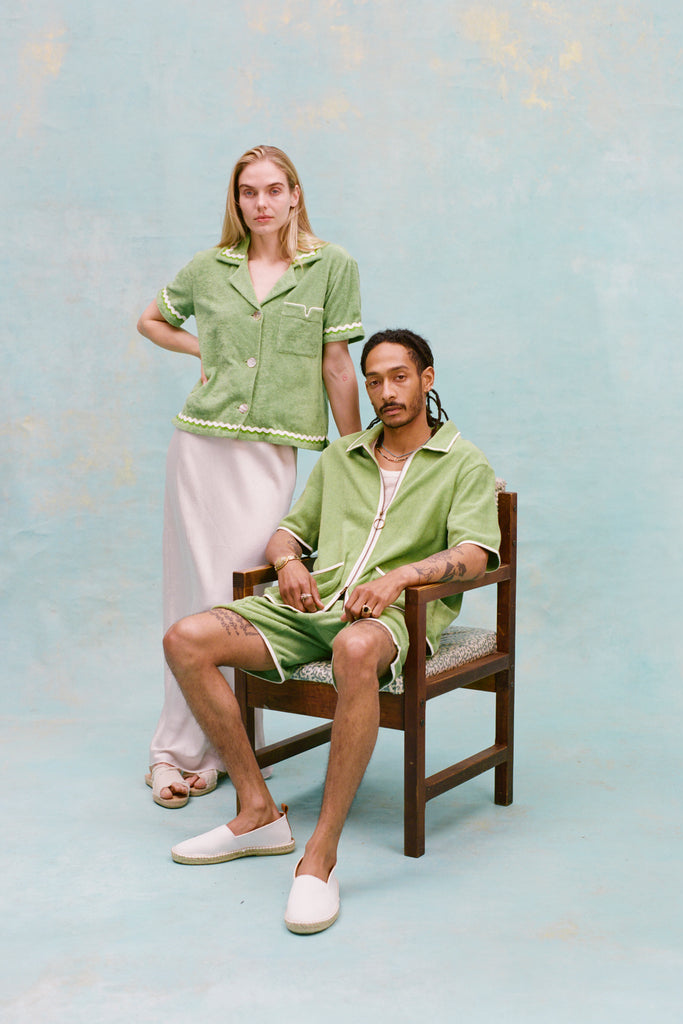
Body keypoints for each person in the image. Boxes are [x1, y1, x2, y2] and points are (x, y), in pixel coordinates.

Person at [162, 328, 501, 934]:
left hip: (396, 617)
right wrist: (290, 562)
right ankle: (258, 810)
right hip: (313, 610)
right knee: (185, 638)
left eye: (400, 376)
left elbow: (475, 553)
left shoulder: (464, 461)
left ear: (427, 379)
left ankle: (319, 857)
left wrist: (398, 579)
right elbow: (289, 532)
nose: (386, 391)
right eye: (374, 379)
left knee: (355, 644)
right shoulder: (343, 459)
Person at [137, 146, 363, 808]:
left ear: (295, 195)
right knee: (193, 594)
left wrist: (354, 458)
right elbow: (153, 319)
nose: (260, 203)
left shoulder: (332, 267)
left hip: (270, 451)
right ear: (236, 201)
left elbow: (338, 366)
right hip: (199, 449)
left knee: (238, 593)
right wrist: (199, 348)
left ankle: (219, 744)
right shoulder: (211, 269)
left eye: (272, 190)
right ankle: (181, 751)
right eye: (247, 193)